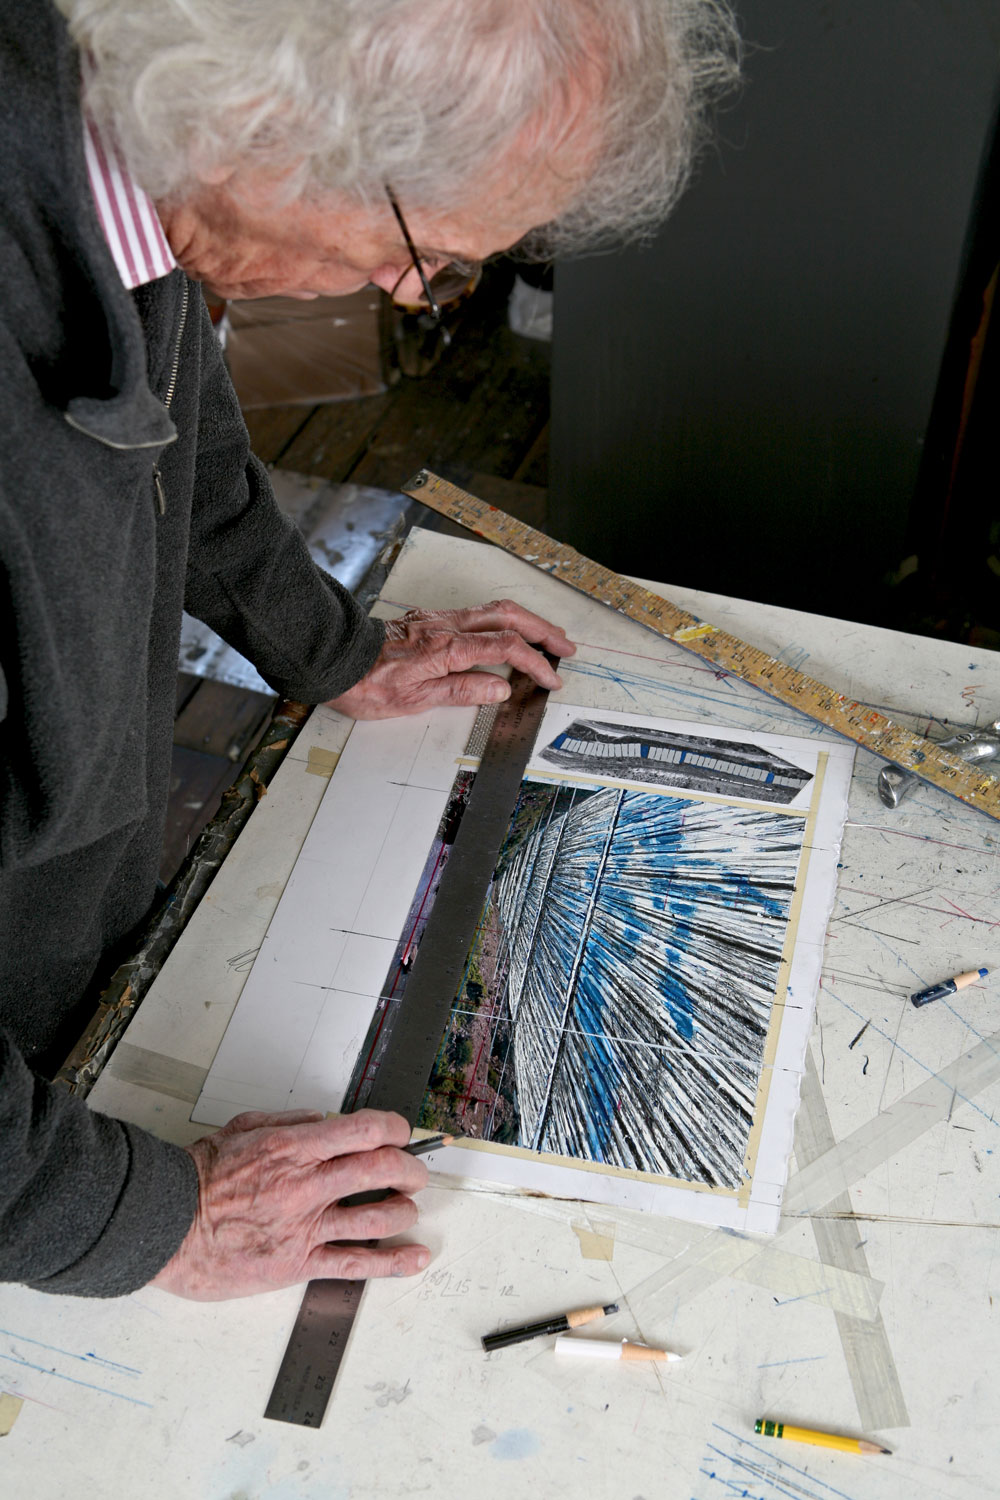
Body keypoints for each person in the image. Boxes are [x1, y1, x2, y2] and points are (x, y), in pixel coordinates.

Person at [0, 0, 739, 1300]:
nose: (410, 295)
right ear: (264, 128)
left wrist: (328, 646)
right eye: (431, 254)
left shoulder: (124, 129)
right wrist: (145, 1217)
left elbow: (170, 412)